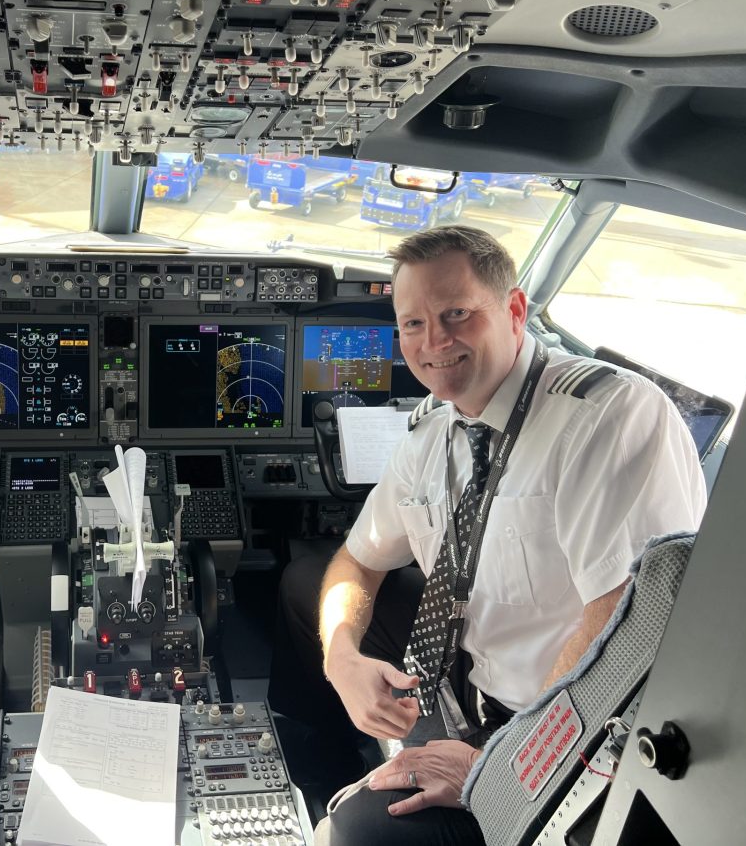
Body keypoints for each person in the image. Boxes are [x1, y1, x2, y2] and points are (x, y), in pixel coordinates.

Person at [267, 226, 706, 845]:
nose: (434, 342)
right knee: (305, 581)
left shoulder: (608, 417)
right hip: (462, 675)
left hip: (561, 738)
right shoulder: (434, 431)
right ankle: (330, 763)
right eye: (413, 324)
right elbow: (355, 562)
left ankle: (367, 799)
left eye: (456, 314)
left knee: (354, 835)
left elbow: (621, 647)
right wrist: (340, 658)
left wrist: (495, 771)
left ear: (516, 311)